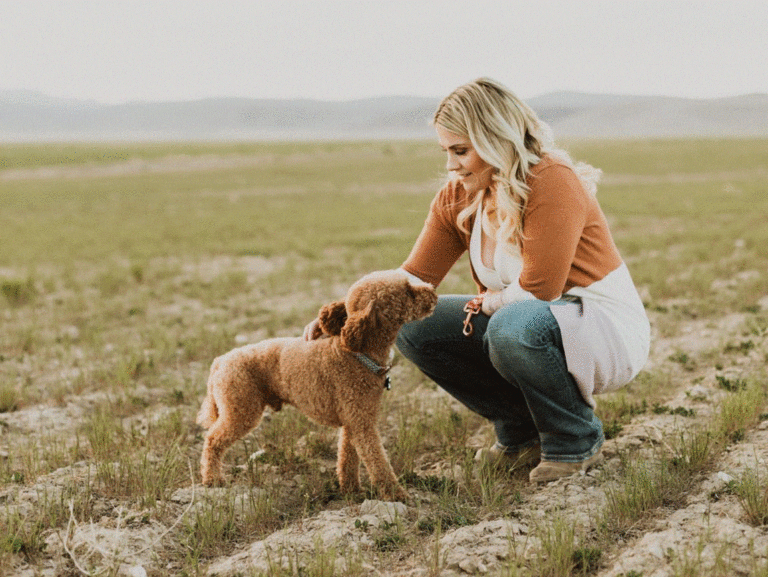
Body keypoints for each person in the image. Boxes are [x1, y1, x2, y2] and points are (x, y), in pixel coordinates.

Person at [306, 77, 650, 484]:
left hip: (600, 326)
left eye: (461, 151)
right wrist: (344, 314)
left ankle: (573, 439)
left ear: (496, 141)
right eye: (446, 152)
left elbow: (539, 291)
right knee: (411, 324)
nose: (451, 166)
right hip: (526, 319)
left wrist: (486, 304)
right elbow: (412, 279)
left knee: (511, 325)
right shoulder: (459, 195)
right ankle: (520, 433)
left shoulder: (552, 178)